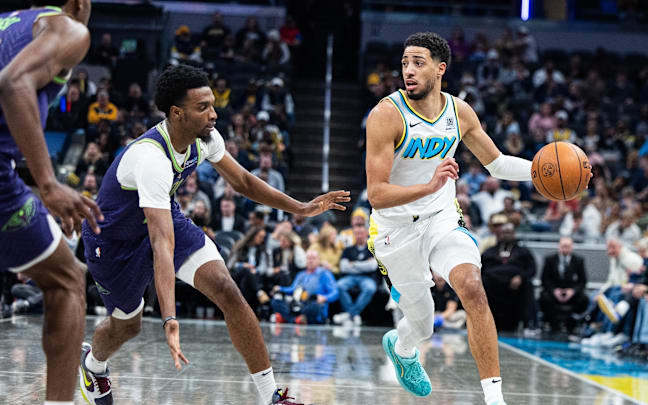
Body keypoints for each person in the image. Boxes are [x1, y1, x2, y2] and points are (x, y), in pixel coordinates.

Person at [79, 64, 350, 405]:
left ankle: (271, 397)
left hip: (165, 219)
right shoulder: (150, 159)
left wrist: (300, 207)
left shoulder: (205, 137)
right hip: (113, 241)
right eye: (203, 107)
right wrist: (170, 319)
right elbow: (161, 245)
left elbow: (244, 182)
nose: (214, 113)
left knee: (227, 289)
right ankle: (93, 364)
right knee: (127, 327)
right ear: (177, 113)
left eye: (212, 104)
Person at [365, 32, 538, 405]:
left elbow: (498, 164)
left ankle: (495, 399)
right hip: (394, 228)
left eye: (418, 63)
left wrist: (540, 172)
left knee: (472, 288)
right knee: (423, 324)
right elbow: (376, 194)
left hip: (442, 217)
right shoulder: (385, 114)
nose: (408, 71)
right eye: (404, 63)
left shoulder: (459, 112)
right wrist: (428, 186)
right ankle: (402, 346)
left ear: (440, 68)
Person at [0, 2, 101, 405]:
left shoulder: (7, 22)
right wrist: (48, 182)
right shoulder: (70, 28)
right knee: (67, 280)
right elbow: (13, 82)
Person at [333, 217, 378, 326]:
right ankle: (354, 314)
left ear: (366, 233)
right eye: (356, 233)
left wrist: (353, 264)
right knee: (339, 286)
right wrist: (363, 264)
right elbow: (344, 267)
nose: (359, 235)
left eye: (361, 233)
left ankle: (349, 314)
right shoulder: (348, 250)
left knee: (370, 288)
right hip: (350, 277)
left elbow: (372, 266)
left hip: (367, 277)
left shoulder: (371, 248)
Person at [539, 237, 589, 331]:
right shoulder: (549, 259)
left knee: (584, 298)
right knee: (544, 297)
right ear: (559, 247)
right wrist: (554, 291)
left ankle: (572, 323)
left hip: (571, 291)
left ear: (572, 247)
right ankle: (552, 323)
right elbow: (544, 279)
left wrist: (573, 291)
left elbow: (583, 281)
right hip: (554, 291)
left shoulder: (579, 260)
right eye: (563, 246)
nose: (565, 249)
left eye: (568, 246)